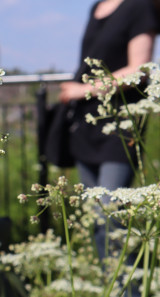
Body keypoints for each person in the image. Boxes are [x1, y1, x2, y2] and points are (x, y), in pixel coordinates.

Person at [59, 0, 158, 294]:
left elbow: (139, 71)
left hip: (120, 129)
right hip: (88, 126)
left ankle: (131, 290)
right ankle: (113, 287)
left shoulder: (140, 7)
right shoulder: (97, 7)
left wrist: (82, 90)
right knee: (96, 222)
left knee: (113, 219)